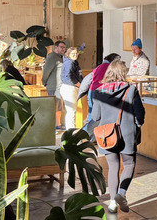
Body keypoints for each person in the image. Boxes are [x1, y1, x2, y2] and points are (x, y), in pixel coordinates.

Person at [90, 60, 145, 213]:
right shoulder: (131, 90)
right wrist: (137, 124)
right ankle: (121, 194)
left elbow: (95, 116)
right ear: (123, 73)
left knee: (113, 167)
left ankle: (113, 204)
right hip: (127, 133)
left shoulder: (99, 92)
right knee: (128, 165)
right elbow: (140, 113)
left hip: (107, 136)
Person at [78, 53, 120, 134]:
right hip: (100, 92)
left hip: (91, 91)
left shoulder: (100, 66)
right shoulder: (109, 67)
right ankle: (84, 134)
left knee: (91, 115)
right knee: (97, 117)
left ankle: (88, 136)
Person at [60, 46, 83, 130]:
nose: (75, 55)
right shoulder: (70, 63)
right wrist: (78, 84)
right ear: (68, 54)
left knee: (71, 110)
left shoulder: (73, 62)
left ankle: (70, 129)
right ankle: (71, 130)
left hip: (71, 87)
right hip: (69, 88)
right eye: (73, 53)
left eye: (77, 53)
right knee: (71, 111)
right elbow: (69, 76)